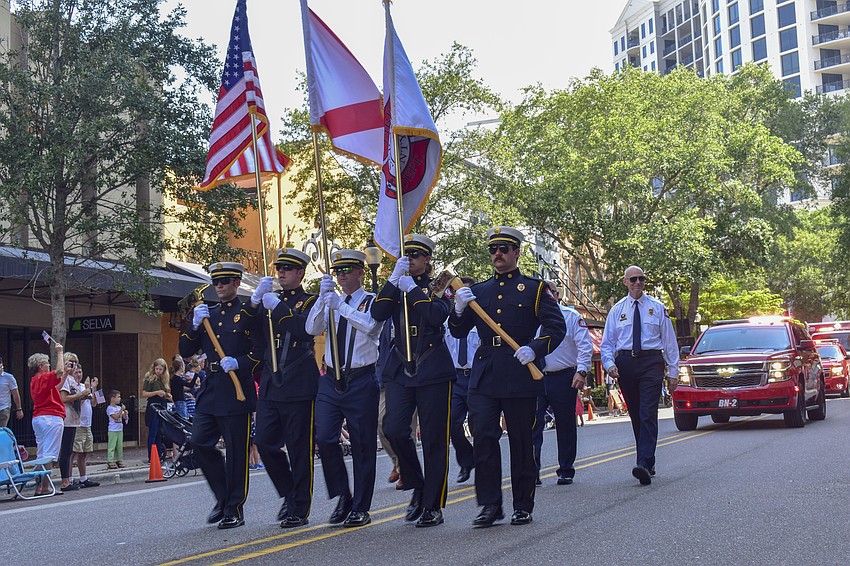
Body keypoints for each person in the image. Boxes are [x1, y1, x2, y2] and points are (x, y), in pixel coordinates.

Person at [449, 226, 566, 527]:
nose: (497, 254)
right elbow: (458, 330)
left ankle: (522, 504)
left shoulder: (536, 289)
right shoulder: (480, 292)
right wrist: (459, 309)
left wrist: (535, 349)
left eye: (504, 248)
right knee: (484, 438)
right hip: (486, 372)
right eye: (493, 249)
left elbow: (556, 328)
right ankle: (490, 505)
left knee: (521, 441)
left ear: (516, 252)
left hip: (520, 371)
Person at [371, 234, 454, 528]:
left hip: (432, 367)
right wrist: (394, 280)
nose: (410, 260)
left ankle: (432, 503)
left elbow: (436, 316)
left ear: (427, 258)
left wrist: (414, 291)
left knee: (434, 440)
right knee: (393, 428)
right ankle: (418, 484)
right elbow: (377, 313)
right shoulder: (396, 284)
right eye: (406, 255)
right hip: (399, 369)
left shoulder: (440, 284)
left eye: (416, 255)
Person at [180, 261, 260, 529]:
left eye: (225, 281)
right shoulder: (207, 315)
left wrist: (240, 362)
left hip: (236, 390)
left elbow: (259, 353)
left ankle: (234, 508)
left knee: (237, 454)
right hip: (212, 389)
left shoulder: (248, 312)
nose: (219, 286)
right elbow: (185, 351)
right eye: (216, 282)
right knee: (200, 443)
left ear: (236, 283)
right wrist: (192, 325)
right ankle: (223, 496)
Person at [305, 250, 382, 528]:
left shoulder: (372, 301)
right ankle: (343, 495)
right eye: (338, 272)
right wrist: (321, 302)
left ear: (361, 272)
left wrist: (341, 307)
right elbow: (312, 330)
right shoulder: (330, 301)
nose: (341, 276)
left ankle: (361, 507)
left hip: (361, 378)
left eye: (347, 271)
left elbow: (371, 327)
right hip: (330, 378)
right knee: (325, 438)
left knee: (362, 445)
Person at [252, 248, 320, 528]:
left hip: (299, 382)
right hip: (271, 383)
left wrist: (276, 307)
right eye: (279, 268)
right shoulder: (271, 301)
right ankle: (289, 493)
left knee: (298, 448)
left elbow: (304, 329)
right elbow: (249, 330)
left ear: (300, 273)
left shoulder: (310, 301)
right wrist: (255, 303)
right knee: (265, 442)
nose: (281, 273)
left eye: (287, 269)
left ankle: (299, 508)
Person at [599, 265, 679, 485]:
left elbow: (670, 342)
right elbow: (607, 344)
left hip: (651, 362)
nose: (637, 283)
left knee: (647, 412)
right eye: (633, 279)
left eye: (641, 279)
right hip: (626, 363)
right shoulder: (617, 310)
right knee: (636, 413)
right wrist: (609, 364)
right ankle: (648, 460)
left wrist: (673, 372)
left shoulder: (657, 307)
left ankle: (642, 463)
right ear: (625, 282)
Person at [531, 281, 592, 487]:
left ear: (556, 294)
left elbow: (585, 346)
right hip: (535, 376)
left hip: (563, 376)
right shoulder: (530, 318)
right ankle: (533, 471)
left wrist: (581, 372)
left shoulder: (571, 317)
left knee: (565, 424)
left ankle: (565, 469)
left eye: (547, 293)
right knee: (532, 425)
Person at [444, 277, 479, 484]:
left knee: (479, 426)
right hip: (456, 378)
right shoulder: (449, 321)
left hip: (477, 377)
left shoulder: (481, 320)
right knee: (452, 423)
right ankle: (467, 460)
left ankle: (483, 464)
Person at [29, 342, 72, 496]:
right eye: (46, 363)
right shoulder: (43, 377)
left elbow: (57, 386)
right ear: (41, 366)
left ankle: (39, 486)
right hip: (51, 417)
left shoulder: (36, 381)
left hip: (39, 418)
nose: (48, 365)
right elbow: (58, 371)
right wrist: (60, 352)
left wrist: (66, 373)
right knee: (50, 454)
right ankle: (45, 487)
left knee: (42, 453)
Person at [58, 355, 91, 492]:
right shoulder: (65, 380)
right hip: (67, 417)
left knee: (70, 449)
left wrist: (84, 394)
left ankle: (70, 479)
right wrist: (81, 394)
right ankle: (66, 480)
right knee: (67, 451)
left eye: (76, 363)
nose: (74, 366)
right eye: (71, 363)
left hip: (74, 418)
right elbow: (64, 398)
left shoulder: (73, 381)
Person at [72, 367, 100, 488]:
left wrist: (94, 388)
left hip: (87, 424)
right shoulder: (73, 387)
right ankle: (69, 478)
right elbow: (77, 404)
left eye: (80, 372)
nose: (79, 374)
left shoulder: (85, 386)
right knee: (74, 451)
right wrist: (87, 390)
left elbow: (95, 403)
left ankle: (83, 478)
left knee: (84, 453)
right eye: (76, 372)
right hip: (77, 424)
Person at [141, 358, 171, 461]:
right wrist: (157, 392)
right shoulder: (149, 378)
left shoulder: (163, 380)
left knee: (160, 431)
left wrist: (167, 395)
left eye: (160, 369)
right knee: (153, 431)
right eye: (157, 369)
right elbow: (144, 393)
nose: (158, 371)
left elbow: (164, 391)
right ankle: (151, 456)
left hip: (162, 405)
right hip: (153, 405)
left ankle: (159, 454)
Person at [106, 390, 128, 469]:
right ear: (112, 398)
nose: (119, 399)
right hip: (113, 429)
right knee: (112, 445)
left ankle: (119, 459)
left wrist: (125, 413)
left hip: (119, 429)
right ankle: (110, 460)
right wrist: (121, 410)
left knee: (119, 445)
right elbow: (115, 417)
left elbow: (124, 417)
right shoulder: (110, 408)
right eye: (118, 397)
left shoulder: (118, 407)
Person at [0, 356, 23, 427]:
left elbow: (15, 394)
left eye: (1, 367)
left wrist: (19, 409)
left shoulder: (9, 378)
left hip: (3, 408)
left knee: (2, 430)